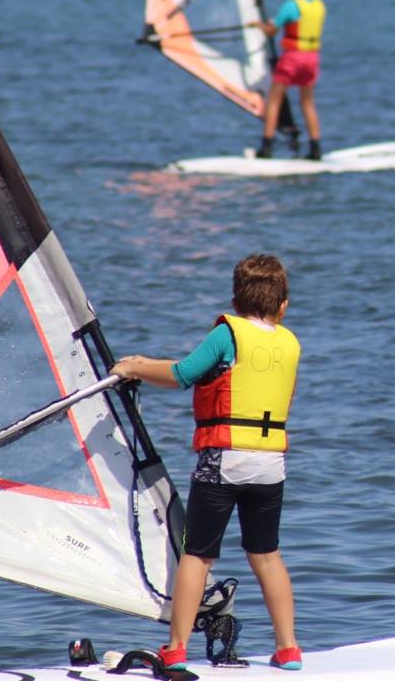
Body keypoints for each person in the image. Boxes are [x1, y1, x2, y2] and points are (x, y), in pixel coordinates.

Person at [110, 254, 303, 670]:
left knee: (197, 555)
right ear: (282, 305)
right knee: (266, 553)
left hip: (224, 458)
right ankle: (289, 648)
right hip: (270, 464)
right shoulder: (290, 342)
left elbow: (183, 373)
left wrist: (136, 367)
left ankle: (176, 649)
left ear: (235, 301)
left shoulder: (226, 335)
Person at [252, 0, 326, 161]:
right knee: (308, 102)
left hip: (293, 57)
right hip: (312, 58)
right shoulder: (319, 5)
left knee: (274, 100)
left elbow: (271, 31)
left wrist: (258, 25)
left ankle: (266, 146)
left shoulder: (291, 5)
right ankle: (315, 147)